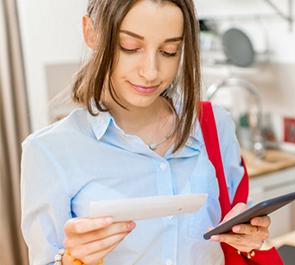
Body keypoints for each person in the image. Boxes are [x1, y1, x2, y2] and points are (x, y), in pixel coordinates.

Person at [20, 0, 272, 264]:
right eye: (130, 47)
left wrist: (251, 235)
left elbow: (241, 225)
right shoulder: (48, 151)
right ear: (91, 33)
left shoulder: (214, 124)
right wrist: (72, 260)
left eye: (169, 51)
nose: (151, 72)